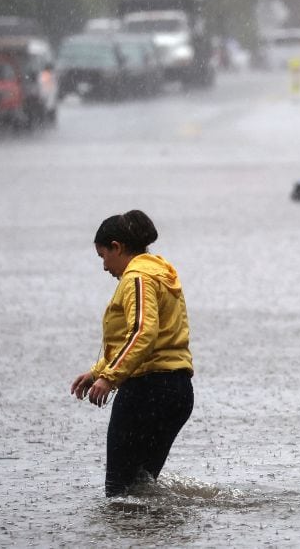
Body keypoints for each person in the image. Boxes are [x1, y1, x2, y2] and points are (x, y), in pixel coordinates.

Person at [70, 210, 194, 497]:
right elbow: (151, 337)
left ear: (117, 247)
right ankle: (158, 536)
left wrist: (110, 378)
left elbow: (142, 333)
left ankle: (131, 539)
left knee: (118, 492)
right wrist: (97, 372)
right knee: (141, 489)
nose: (104, 267)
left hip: (147, 391)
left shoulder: (137, 278)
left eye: (103, 256)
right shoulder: (161, 272)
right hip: (176, 391)